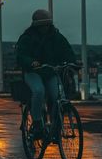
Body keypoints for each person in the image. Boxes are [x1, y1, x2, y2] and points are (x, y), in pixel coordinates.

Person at [16, 9, 77, 139]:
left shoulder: (57, 37)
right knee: (38, 91)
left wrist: (73, 62)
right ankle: (37, 123)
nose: (45, 28)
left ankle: (56, 125)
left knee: (59, 97)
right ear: (36, 26)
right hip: (33, 72)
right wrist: (31, 62)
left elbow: (67, 50)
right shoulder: (27, 38)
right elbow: (20, 55)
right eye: (42, 25)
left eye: (47, 25)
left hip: (50, 72)